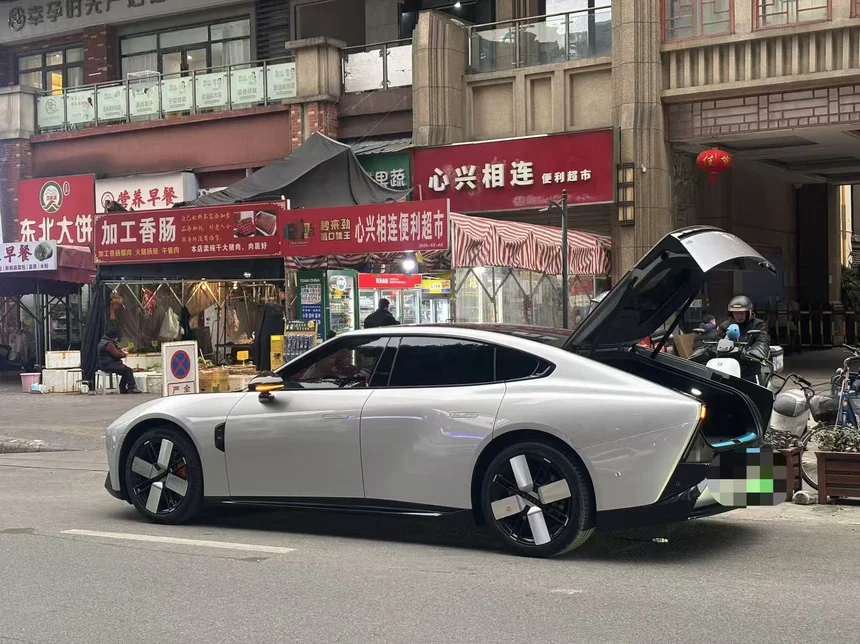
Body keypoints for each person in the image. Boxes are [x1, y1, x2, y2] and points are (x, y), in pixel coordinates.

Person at [717, 295, 770, 378]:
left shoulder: (757, 324)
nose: (739, 316)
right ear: (731, 313)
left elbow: (762, 340)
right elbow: (715, 341)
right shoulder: (724, 326)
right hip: (728, 366)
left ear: (748, 312)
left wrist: (755, 352)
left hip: (751, 366)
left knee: (756, 385)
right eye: (736, 313)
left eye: (742, 313)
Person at [97, 326, 141, 394]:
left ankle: (122, 388)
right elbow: (117, 355)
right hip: (109, 365)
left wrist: (122, 350)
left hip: (105, 364)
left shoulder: (104, 341)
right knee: (128, 370)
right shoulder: (109, 344)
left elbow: (113, 352)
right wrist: (124, 354)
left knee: (125, 371)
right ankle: (131, 388)